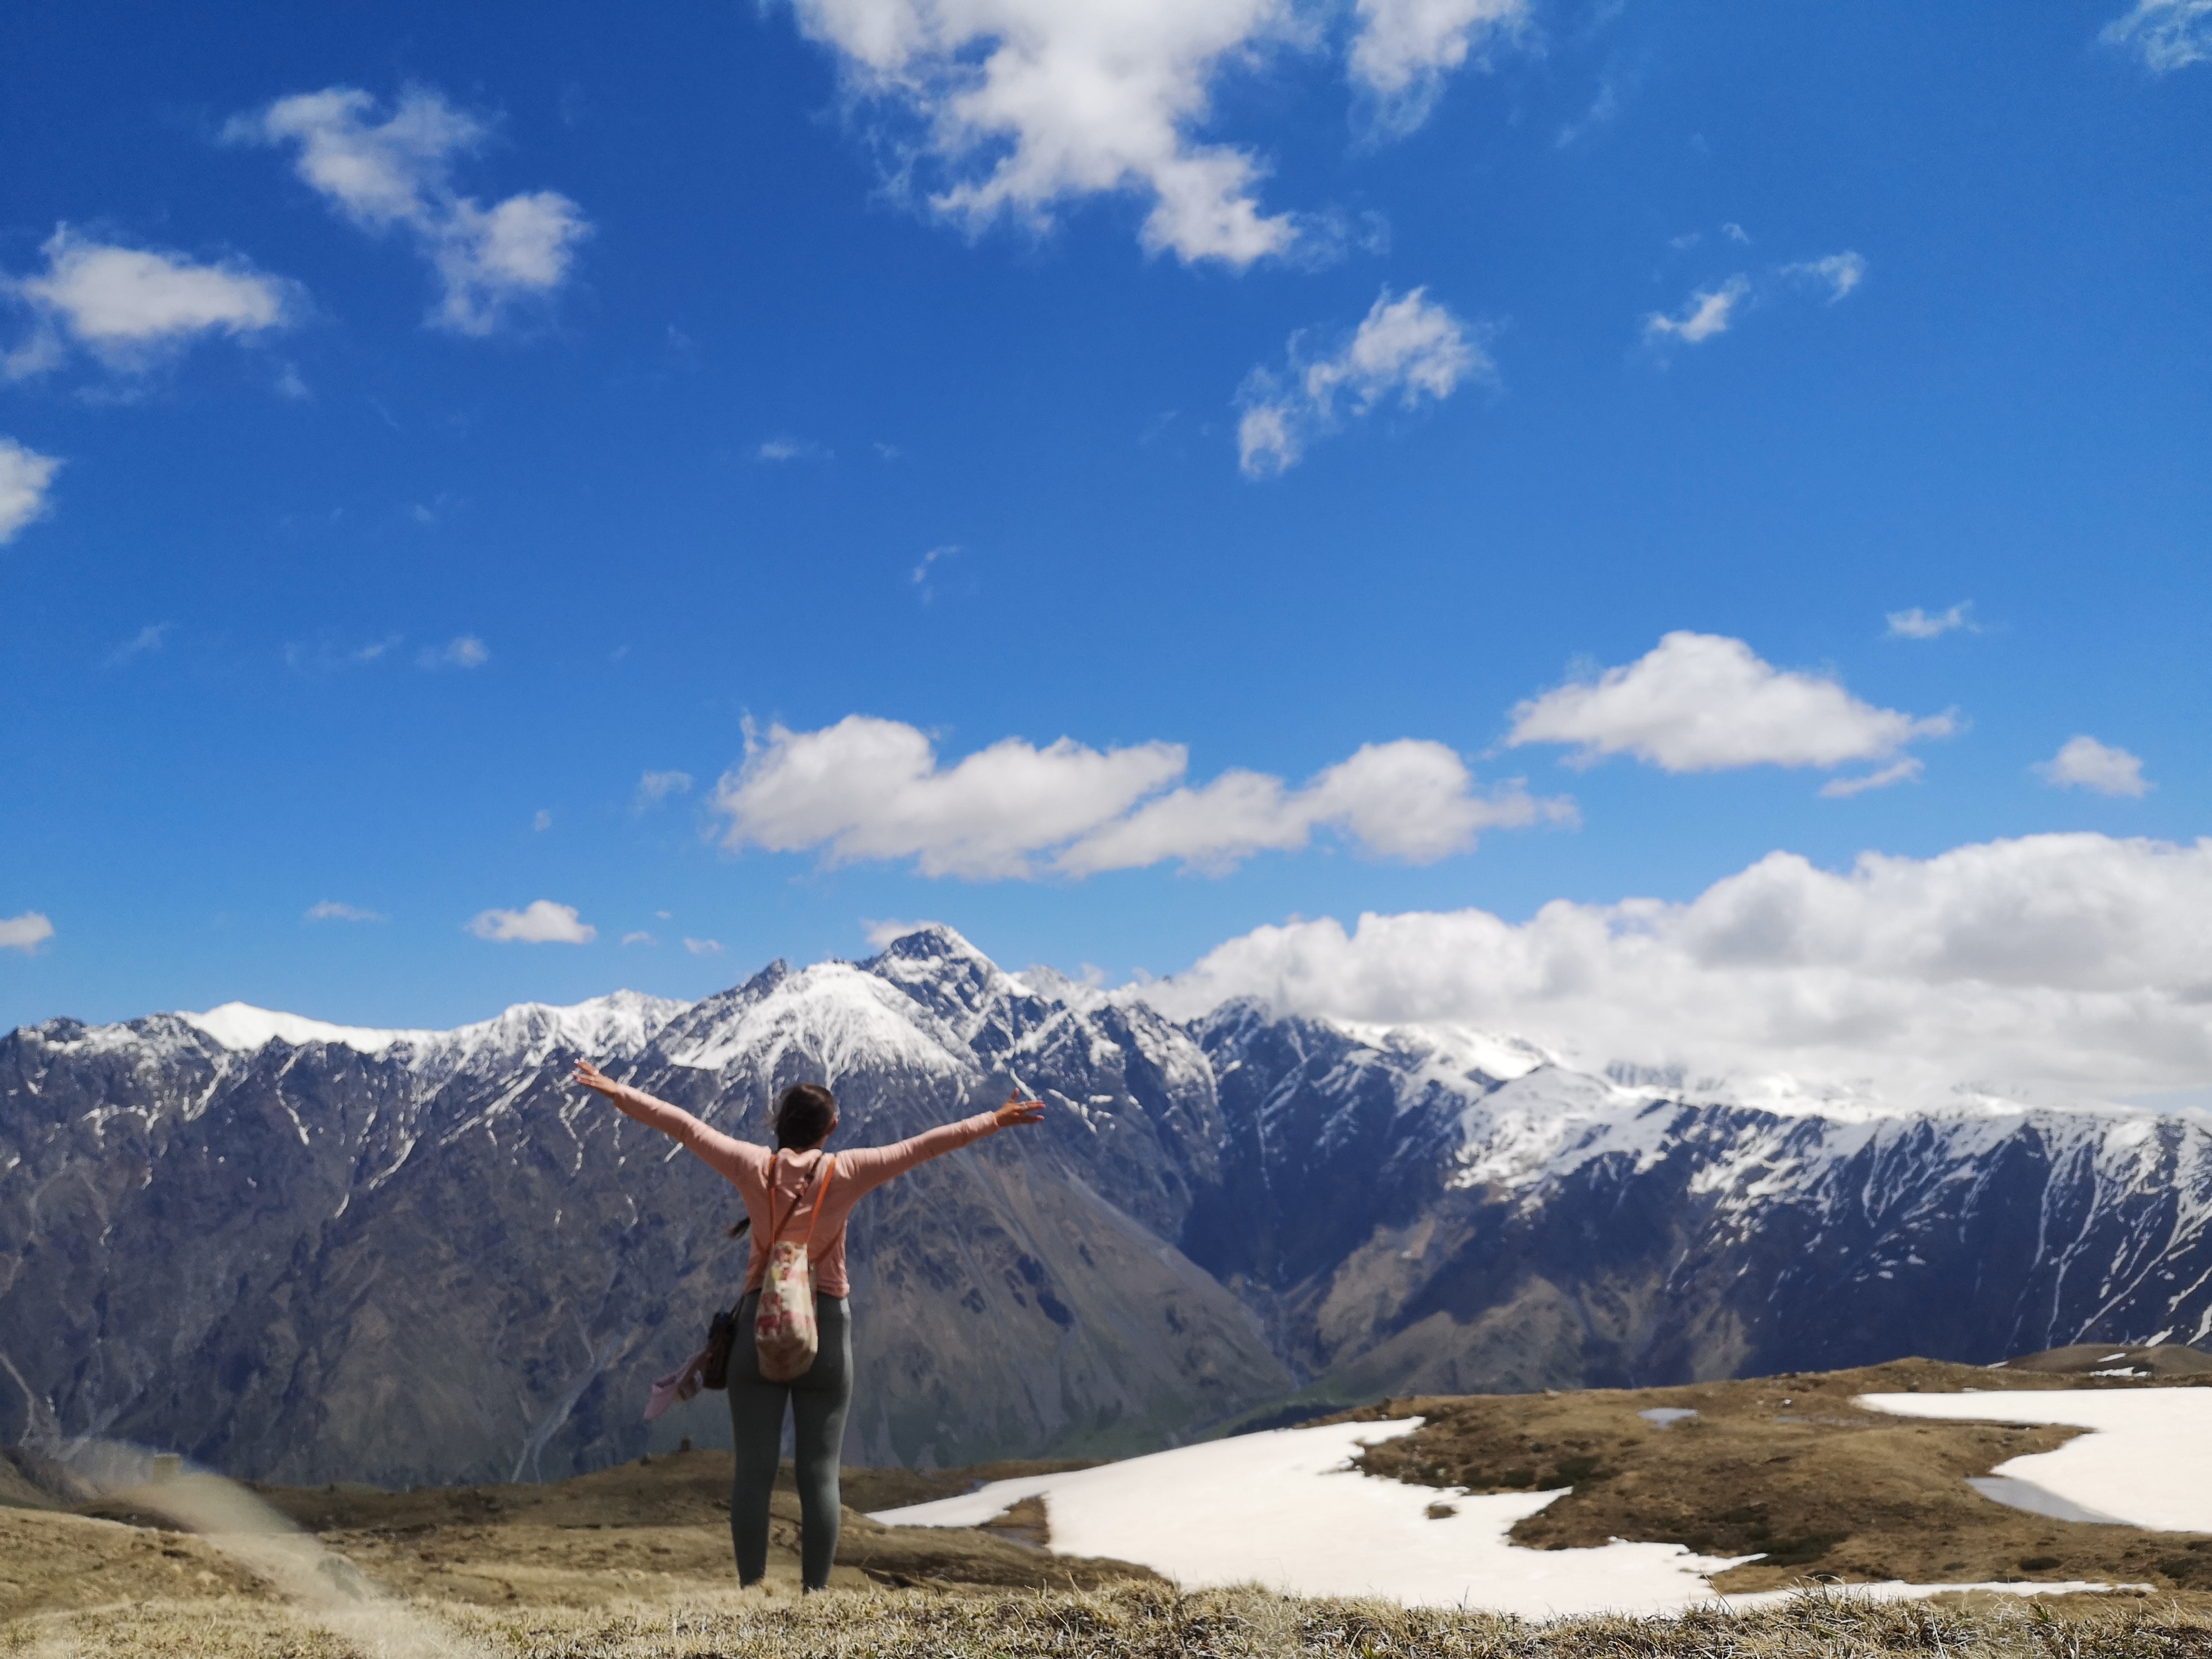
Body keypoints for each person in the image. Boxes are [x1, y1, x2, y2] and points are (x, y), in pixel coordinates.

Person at [571, 1059, 1045, 1592]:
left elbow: (682, 1125)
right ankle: (815, 1600)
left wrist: (617, 1091)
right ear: (832, 1127)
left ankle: (752, 1594)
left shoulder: (751, 1165)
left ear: (777, 1123)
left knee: (754, 1473)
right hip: (826, 1332)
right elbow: (925, 1146)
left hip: (758, 1330)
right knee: (819, 1474)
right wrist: (994, 1119)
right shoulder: (848, 1170)